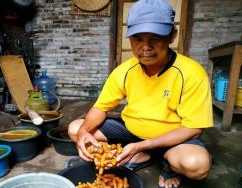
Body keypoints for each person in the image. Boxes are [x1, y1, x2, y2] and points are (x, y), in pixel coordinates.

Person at [68, 0, 214, 187]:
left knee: (196, 165)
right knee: (75, 128)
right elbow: (100, 108)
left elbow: (194, 128)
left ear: (172, 36)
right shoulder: (124, 71)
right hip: (130, 132)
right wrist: (82, 133)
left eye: (155, 38)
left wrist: (143, 145)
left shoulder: (191, 73)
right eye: (138, 38)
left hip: (171, 139)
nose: (145, 47)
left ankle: (163, 162)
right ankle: (140, 156)